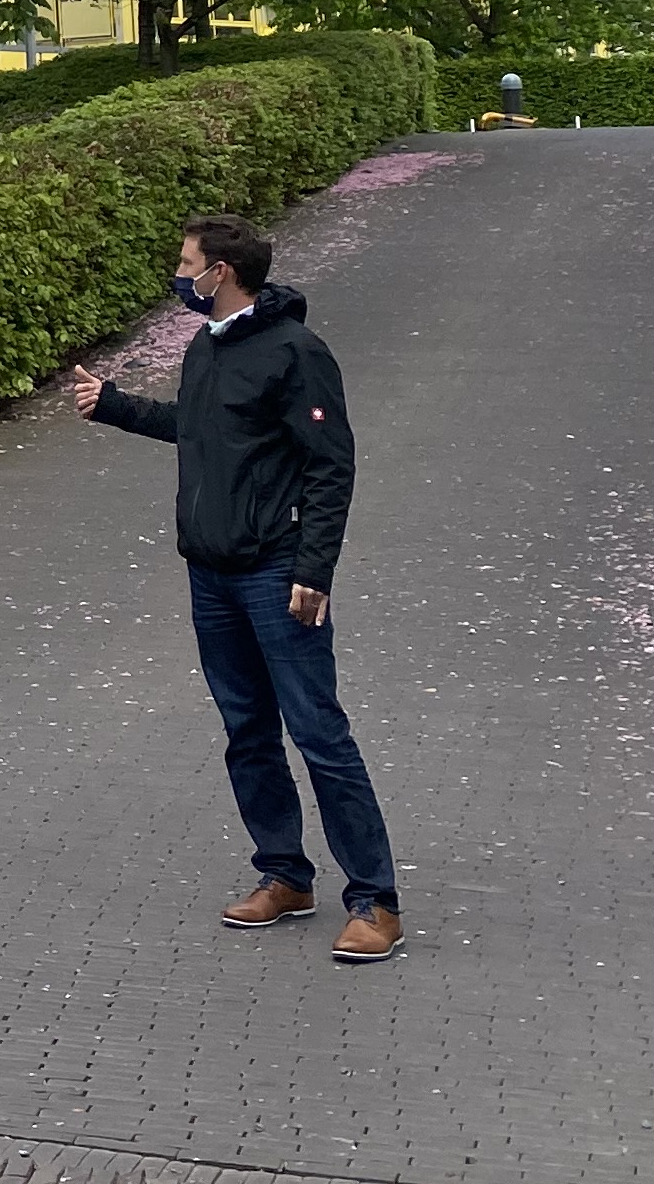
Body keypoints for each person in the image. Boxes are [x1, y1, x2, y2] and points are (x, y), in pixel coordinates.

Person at [68, 213, 405, 963]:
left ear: (221, 272)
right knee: (247, 731)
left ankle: (375, 901)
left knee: (318, 733)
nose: (179, 276)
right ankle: (284, 876)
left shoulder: (296, 353)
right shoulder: (206, 347)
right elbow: (198, 429)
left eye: (187, 264)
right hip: (212, 576)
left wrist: (313, 570)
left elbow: (331, 465)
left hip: (276, 575)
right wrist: (115, 406)